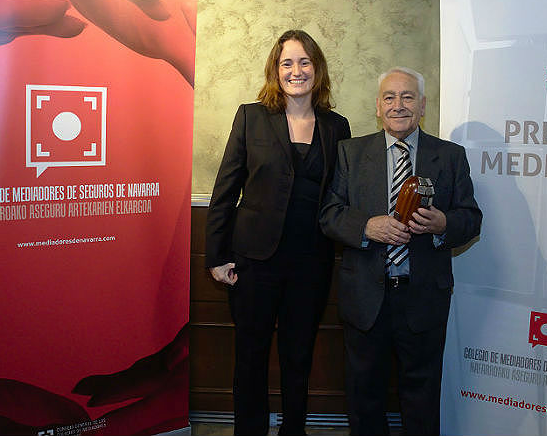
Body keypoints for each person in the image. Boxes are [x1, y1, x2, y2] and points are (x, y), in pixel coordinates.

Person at [320, 67, 482, 435]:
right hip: (365, 298)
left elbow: (471, 219)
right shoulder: (350, 152)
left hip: (423, 297)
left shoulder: (450, 156)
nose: (399, 105)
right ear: (378, 107)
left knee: (421, 398)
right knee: (364, 398)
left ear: (422, 105)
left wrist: (443, 224)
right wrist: (366, 226)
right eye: (389, 97)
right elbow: (329, 214)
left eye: (408, 97)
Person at [205, 29, 351, 436]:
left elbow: (341, 194)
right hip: (254, 261)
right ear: (276, 70)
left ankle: (293, 430)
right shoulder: (250, 117)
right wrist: (216, 256)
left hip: (311, 264)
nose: (296, 71)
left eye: (305, 62)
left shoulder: (337, 126)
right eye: (287, 63)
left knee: (298, 356)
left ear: (317, 70)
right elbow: (225, 190)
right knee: (250, 357)